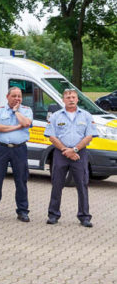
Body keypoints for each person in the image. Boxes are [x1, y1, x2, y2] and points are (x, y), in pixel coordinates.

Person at [44, 89, 97, 227]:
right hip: (60, 153)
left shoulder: (86, 116)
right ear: (63, 100)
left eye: (73, 97)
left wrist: (74, 150)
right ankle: (53, 215)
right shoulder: (55, 116)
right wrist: (64, 150)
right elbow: (51, 136)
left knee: (82, 185)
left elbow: (89, 136)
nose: (71, 99)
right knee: (57, 184)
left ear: (77, 99)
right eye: (68, 97)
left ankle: (84, 217)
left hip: (80, 154)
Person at [0, 86, 33, 222]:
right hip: (1, 149)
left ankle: (22, 211)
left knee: (21, 181)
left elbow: (27, 123)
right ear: (7, 97)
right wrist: (17, 127)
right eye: (14, 96)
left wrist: (16, 112)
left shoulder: (27, 111)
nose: (17, 98)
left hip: (19, 149)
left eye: (19, 96)